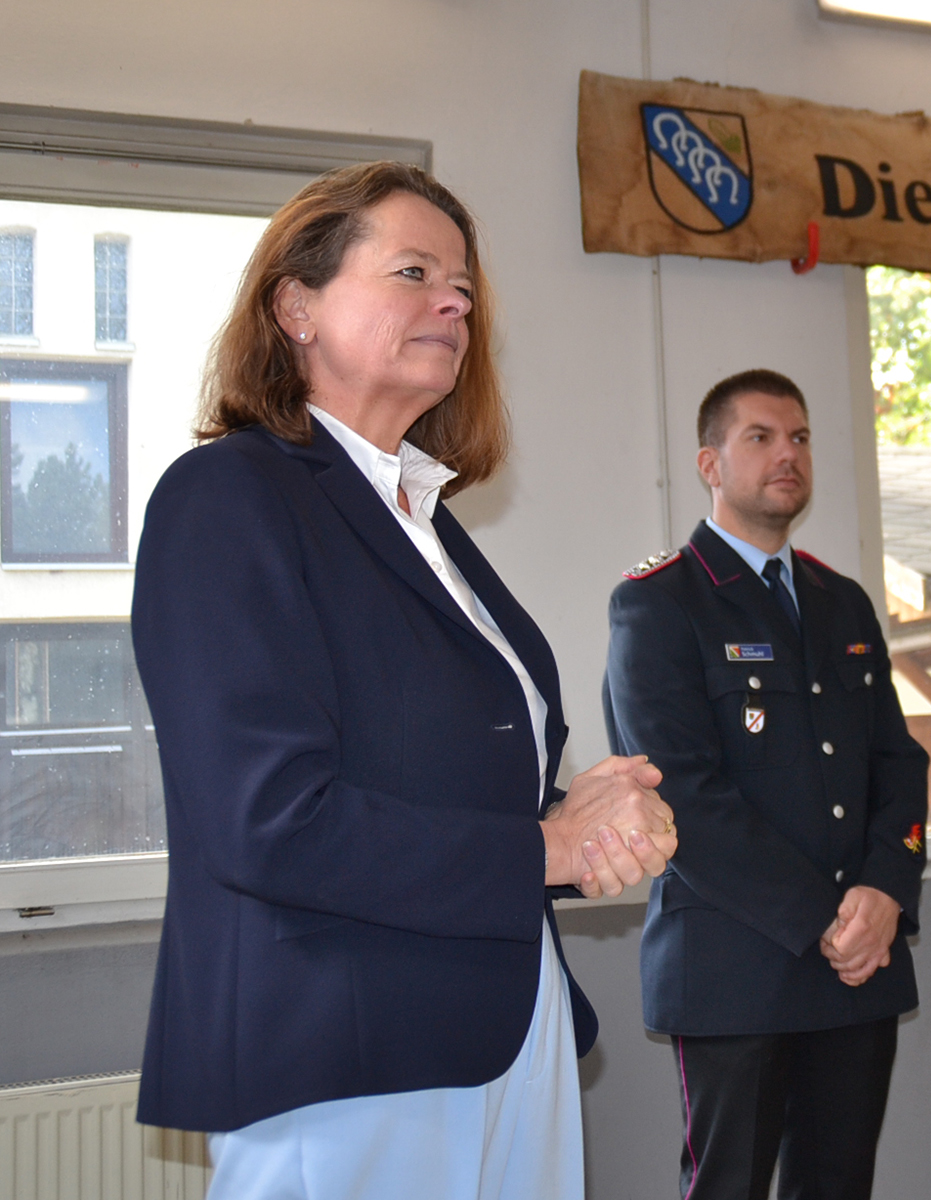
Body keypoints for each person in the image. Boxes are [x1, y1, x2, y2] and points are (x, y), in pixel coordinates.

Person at [130, 161, 677, 1200]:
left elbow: (440, 778)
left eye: (463, 286)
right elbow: (268, 819)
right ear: (296, 307)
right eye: (414, 272)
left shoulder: (425, 518)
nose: (455, 303)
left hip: (508, 1023)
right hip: (346, 1046)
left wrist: (584, 817)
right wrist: (550, 846)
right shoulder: (228, 496)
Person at [603, 369, 928, 1200]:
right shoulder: (660, 602)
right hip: (737, 969)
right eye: (762, 437)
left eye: (801, 438)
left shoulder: (841, 601)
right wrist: (829, 919)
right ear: (710, 464)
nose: (789, 454)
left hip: (856, 965)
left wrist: (886, 890)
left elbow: (897, 763)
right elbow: (682, 797)